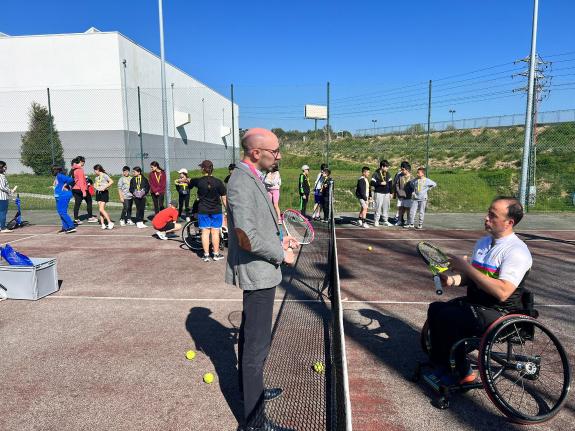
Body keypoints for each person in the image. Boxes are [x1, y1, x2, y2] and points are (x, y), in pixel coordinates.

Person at [225, 128, 297, 431]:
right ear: (256, 153)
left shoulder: (253, 176)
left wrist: (281, 242)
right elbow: (245, 237)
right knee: (256, 347)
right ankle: (254, 422)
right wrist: (281, 255)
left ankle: (250, 391)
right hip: (258, 274)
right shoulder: (241, 181)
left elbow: (260, 227)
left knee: (252, 338)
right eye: (275, 151)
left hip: (263, 270)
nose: (278, 156)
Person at [426, 197, 532, 385]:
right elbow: (473, 277)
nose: (486, 218)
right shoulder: (483, 243)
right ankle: (442, 363)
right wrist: (452, 279)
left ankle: (464, 372)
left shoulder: (517, 251)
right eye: (488, 213)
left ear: (509, 222)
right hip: (478, 304)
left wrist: (466, 268)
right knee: (435, 309)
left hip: (501, 310)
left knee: (450, 317)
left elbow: (503, 292)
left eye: (492, 215)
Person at [189, 160, 227, 262]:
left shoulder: (198, 181)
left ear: (202, 169)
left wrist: (186, 180)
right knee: (215, 233)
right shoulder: (219, 182)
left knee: (205, 232)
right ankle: (215, 254)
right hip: (216, 211)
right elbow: (224, 198)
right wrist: (228, 209)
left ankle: (206, 255)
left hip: (203, 210)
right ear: (212, 169)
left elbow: (190, 182)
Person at [70, 156, 98, 224]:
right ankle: (90, 217)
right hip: (81, 189)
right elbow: (81, 182)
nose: (84, 163)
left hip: (74, 189)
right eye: (83, 162)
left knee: (77, 204)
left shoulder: (73, 169)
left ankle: (76, 219)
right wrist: (84, 192)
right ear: (81, 162)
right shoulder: (80, 170)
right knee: (89, 201)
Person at [52, 166, 76, 234]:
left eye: (53, 170)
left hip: (63, 195)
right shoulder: (57, 176)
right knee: (61, 212)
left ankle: (71, 227)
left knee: (62, 212)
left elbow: (71, 179)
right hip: (59, 196)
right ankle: (65, 227)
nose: (52, 171)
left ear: (57, 170)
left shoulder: (60, 175)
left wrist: (65, 185)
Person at [371, 160, 393, 227]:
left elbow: (390, 183)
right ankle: (376, 221)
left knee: (386, 207)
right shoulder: (376, 173)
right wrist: (380, 183)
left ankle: (385, 220)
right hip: (378, 193)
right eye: (386, 167)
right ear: (382, 167)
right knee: (378, 207)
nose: (387, 168)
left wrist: (391, 193)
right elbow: (372, 183)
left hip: (386, 193)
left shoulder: (388, 174)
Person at [93, 164, 114, 230]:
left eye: (95, 170)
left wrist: (105, 187)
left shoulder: (104, 175)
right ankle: (103, 224)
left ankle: (110, 222)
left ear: (98, 170)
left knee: (101, 209)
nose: (94, 172)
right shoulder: (96, 177)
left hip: (104, 193)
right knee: (100, 210)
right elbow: (96, 185)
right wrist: (95, 186)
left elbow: (111, 181)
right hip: (98, 193)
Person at [392, 161, 412, 227]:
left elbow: (414, 187)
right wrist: (398, 192)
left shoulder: (412, 178)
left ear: (407, 170)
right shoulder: (400, 176)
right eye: (401, 169)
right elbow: (396, 185)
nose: (402, 171)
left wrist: (412, 193)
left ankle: (409, 221)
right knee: (400, 208)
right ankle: (399, 220)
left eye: (403, 169)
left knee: (408, 209)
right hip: (401, 196)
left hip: (408, 196)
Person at [0, 161, 16, 233]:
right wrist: (10, 191)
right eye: (4, 167)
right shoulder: (1, 176)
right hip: (2, 198)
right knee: (3, 212)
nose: (6, 168)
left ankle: (1, 226)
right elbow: (2, 187)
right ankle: (3, 228)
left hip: (2, 197)